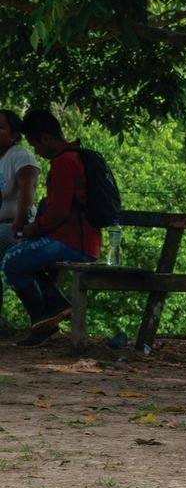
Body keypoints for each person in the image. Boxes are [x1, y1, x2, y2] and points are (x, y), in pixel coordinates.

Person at [2, 109, 101, 347]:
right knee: (21, 258)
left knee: (11, 261)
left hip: (72, 241)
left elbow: (58, 211)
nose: (36, 151)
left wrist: (33, 228)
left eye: (36, 144)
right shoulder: (72, 157)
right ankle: (51, 312)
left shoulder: (64, 162)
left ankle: (44, 321)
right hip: (76, 238)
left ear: (46, 138)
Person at [0, 111, 39, 259]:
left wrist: (20, 220)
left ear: (14, 135)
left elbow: (28, 189)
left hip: (14, 224)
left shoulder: (20, 155)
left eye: (1, 128)